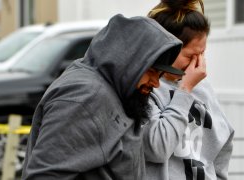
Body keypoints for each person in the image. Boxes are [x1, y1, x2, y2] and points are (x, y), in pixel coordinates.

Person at [21, 14, 185, 180]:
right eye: (151, 71)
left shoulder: (117, 89)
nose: (156, 83)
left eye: (160, 74)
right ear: (127, 61)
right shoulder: (86, 97)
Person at [143, 0, 235, 179]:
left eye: (202, 54)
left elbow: (224, 141)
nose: (199, 65)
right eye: (190, 56)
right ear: (165, 48)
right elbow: (156, 149)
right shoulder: (147, 87)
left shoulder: (203, 88)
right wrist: (185, 90)